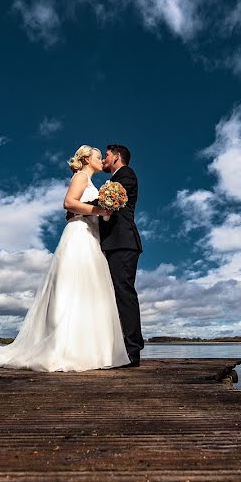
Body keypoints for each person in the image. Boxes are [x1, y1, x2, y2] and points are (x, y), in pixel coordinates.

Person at [0, 145, 130, 373]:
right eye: (98, 156)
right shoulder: (80, 177)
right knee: (71, 286)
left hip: (91, 237)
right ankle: (62, 347)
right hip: (78, 234)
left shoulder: (94, 185)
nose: (101, 160)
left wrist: (105, 210)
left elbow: (85, 208)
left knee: (90, 292)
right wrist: (101, 211)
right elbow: (69, 203)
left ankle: (89, 350)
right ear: (87, 159)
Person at [99, 144, 144, 366]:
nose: (104, 159)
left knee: (124, 293)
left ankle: (132, 351)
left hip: (123, 243)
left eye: (106, 155)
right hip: (111, 244)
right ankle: (115, 348)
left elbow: (108, 203)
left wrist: (78, 205)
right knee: (113, 295)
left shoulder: (126, 175)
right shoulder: (114, 180)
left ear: (117, 157)